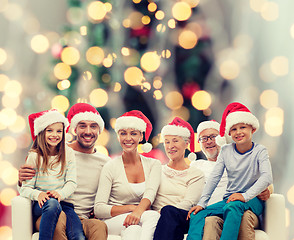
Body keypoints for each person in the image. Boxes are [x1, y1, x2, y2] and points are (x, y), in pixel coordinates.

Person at [18, 103, 110, 240]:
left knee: (99, 226)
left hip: (78, 216)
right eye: (82, 126)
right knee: (59, 216)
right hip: (51, 212)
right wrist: (20, 179)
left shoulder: (105, 162)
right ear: (74, 129)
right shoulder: (56, 150)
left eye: (93, 126)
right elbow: (28, 183)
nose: (88, 131)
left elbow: (114, 194)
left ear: (100, 130)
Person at [187, 102, 273, 240]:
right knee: (198, 214)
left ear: (253, 129)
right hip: (230, 199)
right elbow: (215, 177)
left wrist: (244, 196)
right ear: (229, 133)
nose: (238, 132)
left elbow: (267, 178)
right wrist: (201, 203)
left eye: (243, 127)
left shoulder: (260, 151)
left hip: (251, 200)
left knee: (233, 207)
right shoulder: (226, 151)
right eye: (233, 129)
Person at [94, 110, 162, 240]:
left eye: (133, 133)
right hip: (112, 221)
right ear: (118, 136)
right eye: (123, 133)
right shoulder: (110, 166)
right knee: (152, 216)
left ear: (141, 137)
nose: (128, 138)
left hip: (138, 219)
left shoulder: (154, 164)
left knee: (134, 230)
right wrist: (132, 209)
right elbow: (99, 208)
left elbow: (150, 193)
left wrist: (137, 212)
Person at [19, 109, 85, 240]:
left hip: (65, 203)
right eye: (50, 130)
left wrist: (60, 193)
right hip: (43, 204)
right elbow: (25, 188)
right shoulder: (34, 156)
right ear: (41, 132)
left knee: (78, 236)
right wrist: (39, 194)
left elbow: (71, 183)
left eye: (59, 131)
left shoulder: (68, 153)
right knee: (52, 203)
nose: (55, 135)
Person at [152, 117, 205, 240]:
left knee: (169, 211)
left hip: (183, 217)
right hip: (157, 216)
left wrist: (165, 212)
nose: (170, 146)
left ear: (186, 144)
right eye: (167, 142)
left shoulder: (196, 174)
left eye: (175, 141)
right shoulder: (157, 169)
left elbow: (189, 203)